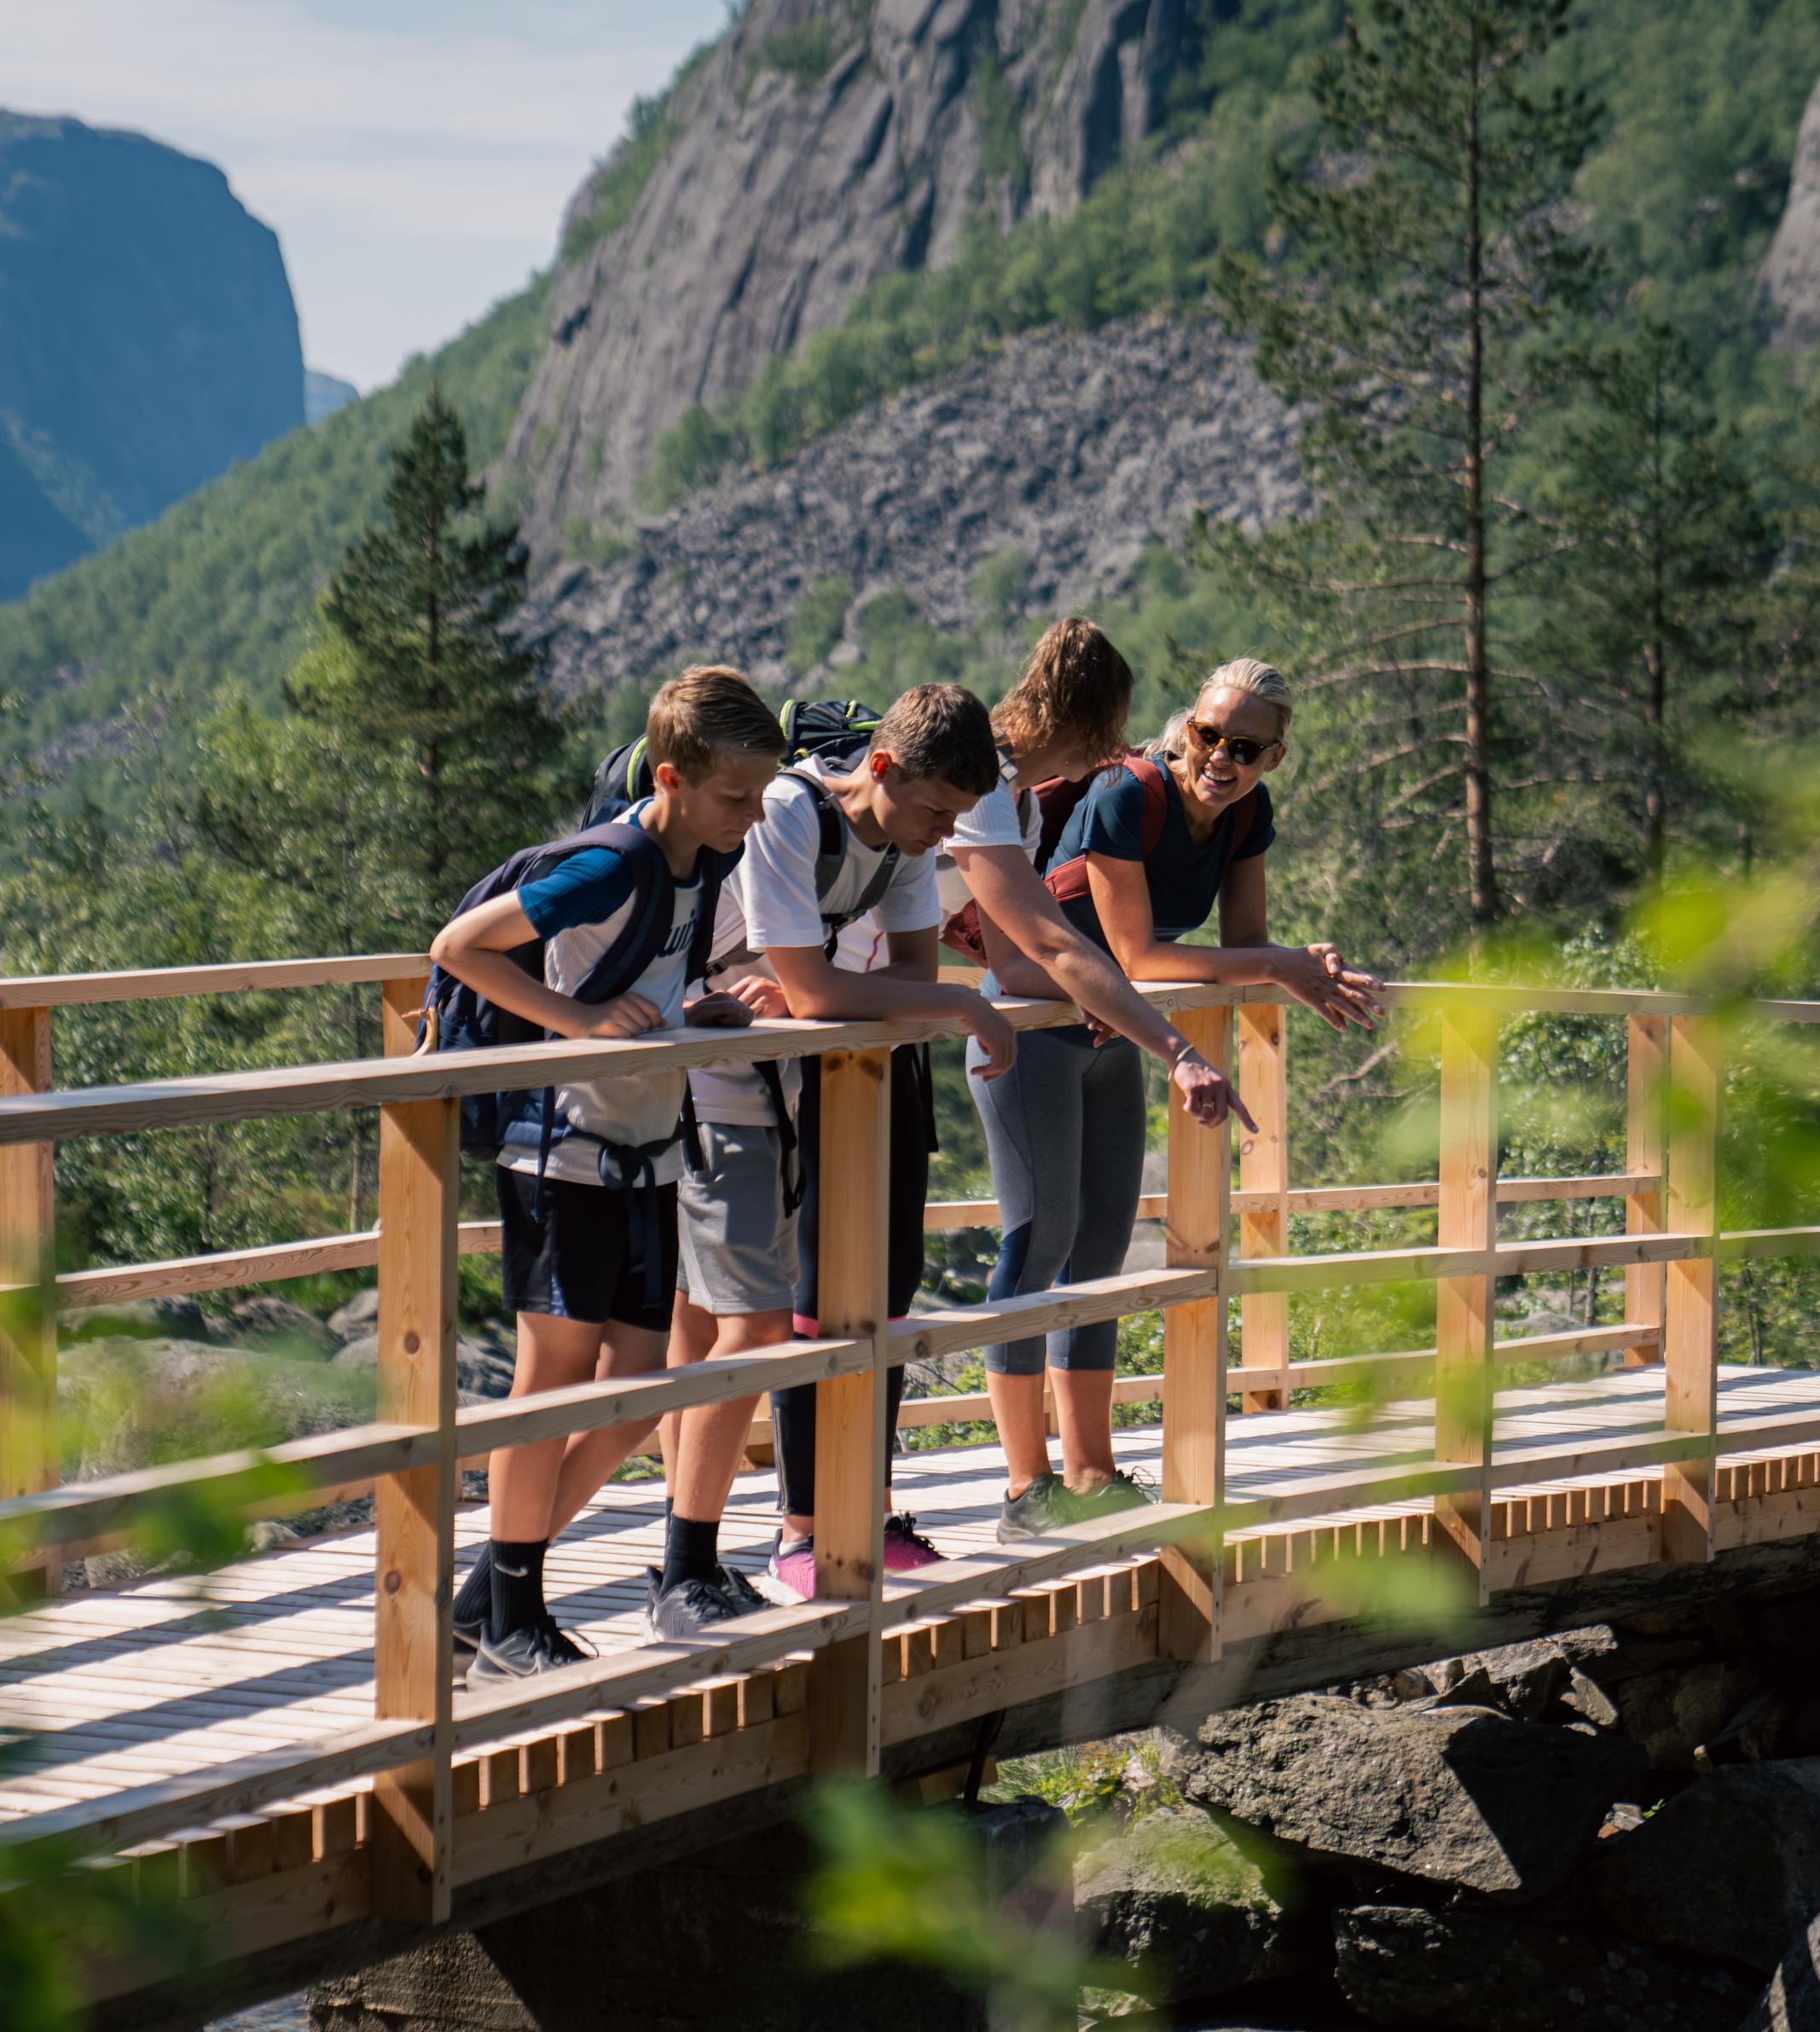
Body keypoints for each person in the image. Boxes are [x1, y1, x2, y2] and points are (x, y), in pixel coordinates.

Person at [971, 654, 1381, 1540]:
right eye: (1206, 734)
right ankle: (1022, 1487)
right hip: (1036, 1031)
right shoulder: (1127, 794)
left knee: (1102, 1250)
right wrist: (1281, 965)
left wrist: (1301, 962)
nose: (1219, 757)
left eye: (1244, 746)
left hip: (1114, 1035)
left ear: (1273, 759)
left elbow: (1247, 943)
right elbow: (1141, 960)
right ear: (1183, 727)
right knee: (1037, 1242)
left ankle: (1089, 1471)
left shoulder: (1246, 817)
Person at [425, 666, 781, 1679]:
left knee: (633, 1392)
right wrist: (577, 1023)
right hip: (563, 1150)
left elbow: (650, 980)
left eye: (761, 796)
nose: (753, 816)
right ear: (670, 777)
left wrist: (698, 1005)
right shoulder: (618, 861)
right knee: (550, 1382)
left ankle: (488, 1595)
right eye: (736, 796)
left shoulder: (700, 860)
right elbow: (460, 948)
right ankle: (511, 1619)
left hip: (646, 1152)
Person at [675, 682, 1023, 1614]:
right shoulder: (788, 813)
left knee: (883, 1284)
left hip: (839, 1060)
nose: (945, 837)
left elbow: (891, 974)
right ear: (881, 768)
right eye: (935, 811)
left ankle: (859, 1511)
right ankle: (801, 1529)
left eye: (957, 818)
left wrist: (866, 990)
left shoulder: (898, 841)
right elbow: (852, 990)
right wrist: (951, 1000)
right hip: (725, 1074)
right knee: (812, 1294)